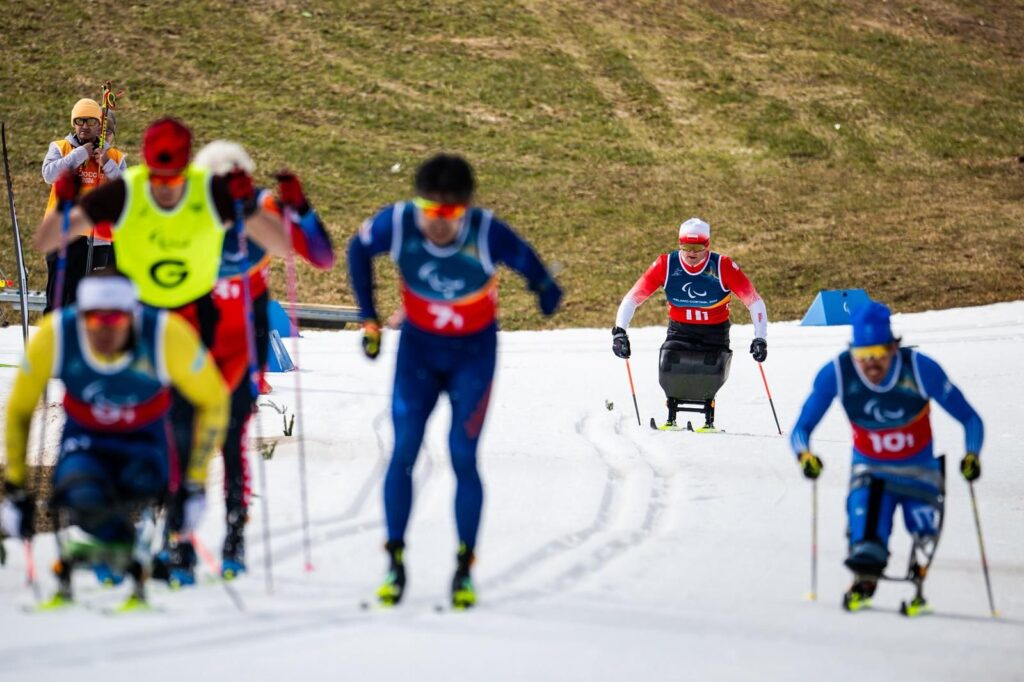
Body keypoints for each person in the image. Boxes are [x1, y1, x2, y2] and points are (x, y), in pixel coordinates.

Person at [34, 116, 291, 586]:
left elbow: (287, 247)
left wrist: (254, 205)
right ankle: (150, 535)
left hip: (211, 341)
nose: (168, 192)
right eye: (159, 181)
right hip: (150, 336)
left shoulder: (214, 199)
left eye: (175, 182)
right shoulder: (131, 192)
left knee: (214, 438)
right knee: (153, 434)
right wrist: (68, 205)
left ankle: (221, 534)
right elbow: (54, 239)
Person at [347, 153, 562, 609]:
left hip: (472, 356)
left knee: (463, 455)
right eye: (429, 210)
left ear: (466, 209)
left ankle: (464, 567)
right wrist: (367, 318)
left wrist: (545, 291)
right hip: (418, 354)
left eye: (450, 213)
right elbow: (357, 250)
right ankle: (395, 562)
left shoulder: (486, 232)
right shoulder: (399, 222)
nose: (437, 223)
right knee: (403, 450)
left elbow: (533, 267)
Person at [0, 271, 228, 609]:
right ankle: (125, 548)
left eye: (115, 318)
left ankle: (141, 549)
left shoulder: (165, 334)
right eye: (92, 318)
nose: (103, 328)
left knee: (140, 486)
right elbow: (19, 410)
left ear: (133, 315)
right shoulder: (58, 334)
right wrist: (15, 489)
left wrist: (194, 483)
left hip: (144, 440)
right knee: (80, 495)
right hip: (86, 441)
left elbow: (214, 401)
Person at [193, 140, 335, 579]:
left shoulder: (259, 204)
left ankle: (234, 529)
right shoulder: (186, 204)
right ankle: (175, 532)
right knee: (183, 435)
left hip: (243, 340)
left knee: (232, 438)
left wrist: (302, 208)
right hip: (193, 335)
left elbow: (321, 256)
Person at [790, 301, 984, 614]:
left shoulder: (920, 369)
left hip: (920, 470)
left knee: (924, 533)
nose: (871, 364)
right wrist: (805, 456)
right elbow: (801, 428)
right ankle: (864, 579)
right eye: (863, 356)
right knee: (866, 534)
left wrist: (972, 454)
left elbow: (970, 418)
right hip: (871, 471)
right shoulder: (838, 372)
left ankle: (918, 584)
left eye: (878, 354)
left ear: (894, 347)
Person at [612, 217, 768, 430]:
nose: (691, 253)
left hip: (714, 333)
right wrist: (620, 331)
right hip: (680, 331)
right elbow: (633, 297)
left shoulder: (722, 266)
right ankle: (671, 416)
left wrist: (760, 338)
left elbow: (755, 301)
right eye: (686, 247)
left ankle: (708, 418)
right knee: (667, 364)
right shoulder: (666, 265)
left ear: (707, 245)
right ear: (679, 244)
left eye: (697, 247)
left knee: (711, 372)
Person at [41, 98, 127, 311]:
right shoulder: (60, 147)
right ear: (74, 123)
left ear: (100, 124)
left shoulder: (114, 156)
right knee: (58, 298)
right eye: (79, 121)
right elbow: (49, 174)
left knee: (90, 300)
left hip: (98, 237)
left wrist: (106, 164)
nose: (84, 126)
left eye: (90, 121)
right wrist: (79, 155)